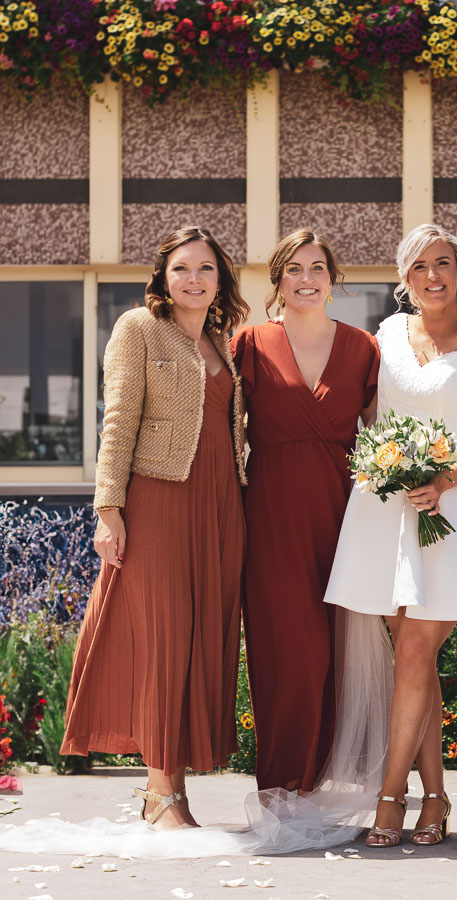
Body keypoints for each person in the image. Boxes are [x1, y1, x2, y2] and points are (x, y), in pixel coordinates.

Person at [324, 224, 457, 848]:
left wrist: (439, 478)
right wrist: (384, 465)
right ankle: (435, 798)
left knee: (413, 656)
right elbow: (373, 416)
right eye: (419, 267)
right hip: (387, 510)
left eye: (444, 264)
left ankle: (391, 799)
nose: (432, 276)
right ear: (403, 280)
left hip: (452, 513)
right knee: (415, 662)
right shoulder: (385, 336)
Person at [60, 226, 249, 829]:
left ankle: (175, 793)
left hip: (222, 503)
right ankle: (160, 793)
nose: (194, 279)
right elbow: (118, 419)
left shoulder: (225, 340)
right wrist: (107, 507)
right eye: (181, 268)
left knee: (201, 635)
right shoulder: (138, 328)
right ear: (163, 278)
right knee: (165, 635)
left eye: (206, 269)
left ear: (220, 280)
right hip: (161, 499)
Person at [231, 229, 379, 793]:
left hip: (343, 515)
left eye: (317, 268)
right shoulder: (248, 343)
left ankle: (322, 782)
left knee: (335, 654)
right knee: (289, 650)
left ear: (332, 279)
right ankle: (281, 785)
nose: (307, 279)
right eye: (294, 269)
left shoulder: (363, 347)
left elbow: (379, 437)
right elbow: (225, 433)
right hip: (270, 514)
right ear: (278, 280)